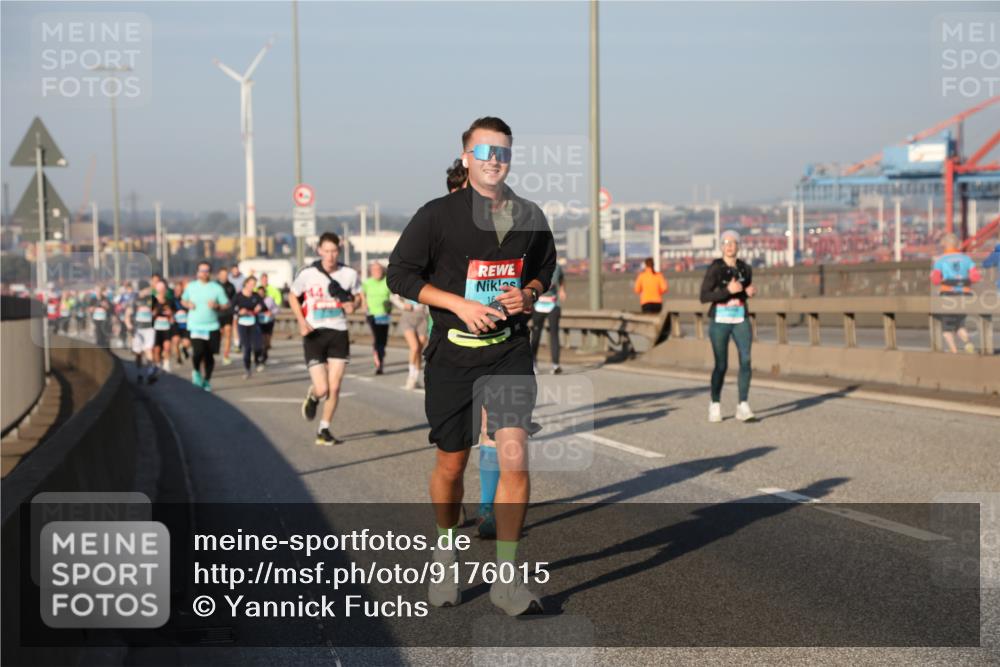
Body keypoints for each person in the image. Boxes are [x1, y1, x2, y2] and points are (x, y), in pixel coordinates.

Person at [387, 116, 555, 615]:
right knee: (451, 463)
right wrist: (458, 304)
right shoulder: (437, 216)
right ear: (467, 158)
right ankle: (445, 553)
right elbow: (399, 274)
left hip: (508, 350)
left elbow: (545, 267)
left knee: (514, 455)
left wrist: (530, 294)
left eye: (502, 152)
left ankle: (506, 579)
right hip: (453, 354)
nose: (494, 160)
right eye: (484, 152)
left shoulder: (529, 215)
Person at [289, 232, 361, 445]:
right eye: (326, 251)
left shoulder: (349, 274)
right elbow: (292, 296)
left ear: (339, 251)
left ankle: (324, 429)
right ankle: (313, 396)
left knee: (335, 387)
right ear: (319, 251)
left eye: (334, 251)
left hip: (338, 332)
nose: (330, 256)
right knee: (323, 389)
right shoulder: (308, 274)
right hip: (314, 333)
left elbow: (358, 297)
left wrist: (353, 305)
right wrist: (301, 321)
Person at [699, 230, 756, 423]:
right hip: (720, 321)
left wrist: (748, 292)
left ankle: (743, 405)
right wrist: (726, 291)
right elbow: (704, 296)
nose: (729, 246)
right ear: (721, 247)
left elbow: (742, 293)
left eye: (733, 242)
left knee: (746, 361)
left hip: (740, 319)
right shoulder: (715, 268)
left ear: (738, 246)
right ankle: (715, 403)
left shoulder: (745, 268)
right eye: (725, 242)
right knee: (721, 365)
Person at [181, 261, 230, 391]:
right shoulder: (191, 286)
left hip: (212, 326)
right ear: (197, 272)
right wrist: (188, 304)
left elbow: (226, 304)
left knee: (209, 355)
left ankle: (207, 380)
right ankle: (196, 371)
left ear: (210, 273)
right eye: (202, 270)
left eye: (206, 271)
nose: (204, 273)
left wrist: (217, 306)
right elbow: (183, 300)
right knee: (198, 352)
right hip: (195, 325)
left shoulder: (216, 288)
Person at [931, 233, 981, 354]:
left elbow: (935, 280)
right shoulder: (967, 259)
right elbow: (975, 277)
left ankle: (954, 353)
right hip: (965, 295)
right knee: (959, 324)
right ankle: (968, 344)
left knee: (947, 328)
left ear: (944, 245)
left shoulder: (940, 260)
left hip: (948, 295)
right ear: (957, 244)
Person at [530, 257, 567, 374]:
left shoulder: (557, 267)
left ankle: (556, 365)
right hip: (538, 305)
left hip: (553, 304)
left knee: (554, 334)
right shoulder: (534, 266)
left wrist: (562, 290)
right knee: (536, 335)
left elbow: (561, 279)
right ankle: (533, 363)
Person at [361, 261, 392, 374]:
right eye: (374, 270)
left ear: (382, 271)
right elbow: (362, 293)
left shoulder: (387, 282)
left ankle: (380, 354)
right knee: (377, 337)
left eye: (379, 270)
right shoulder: (367, 283)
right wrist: (364, 303)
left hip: (384, 315)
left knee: (383, 339)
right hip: (372, 314)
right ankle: (379, 362)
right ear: (371, 272)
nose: (377, 272)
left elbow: (394, 296)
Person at [233, 275, 265, 378]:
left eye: (254, 285)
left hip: (254, 323)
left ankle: (257, 362)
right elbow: (231, 308)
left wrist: (260, 307)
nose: (252, 286)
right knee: (247, 348)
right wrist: (239, 312)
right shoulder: (238, 296)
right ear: (246, 284)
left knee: (258, 346)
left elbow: (263, 305)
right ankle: (247, 369)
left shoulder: (256, 296)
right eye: (251, 284)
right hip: (242, 323)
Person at [126, 282, 157, 384]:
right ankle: (139, 373)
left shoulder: (151, 299)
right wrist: (129, 326)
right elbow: (127, 314)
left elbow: (155, 311)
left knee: (148, 349)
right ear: (142, 289)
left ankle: (150, 373)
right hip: (138, 329)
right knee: (138, 353)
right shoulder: (134, 300)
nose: (148, 291)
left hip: (149, 328)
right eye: (147, 289)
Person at [151, 280, 175, 376]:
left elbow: (173, 318)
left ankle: (166, 365)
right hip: (156, 328)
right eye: (160, 290)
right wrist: (155, 312)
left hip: (166, 327)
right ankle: (157, 365)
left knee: (167, 347)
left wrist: (170, 314)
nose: (162, 292)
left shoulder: (169, 301)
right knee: (156, 349)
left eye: (164, 290)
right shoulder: (153, 301)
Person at [216, 268, 237, 365]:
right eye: (222, 275)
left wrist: (232, 308)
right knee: (219, 334)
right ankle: (215, 350)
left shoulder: (231, 286)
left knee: (228, 333)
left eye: (226, 275)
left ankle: (226, 355)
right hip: (217, 314)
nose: (224, 277)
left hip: (228, 313)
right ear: (219, 275)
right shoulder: (214, 285)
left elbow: (234, 299)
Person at [256, 284, 278, 364]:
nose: (260, 294)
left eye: (262, 292)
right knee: (261, 339)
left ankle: (265, 352)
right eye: (259, 293)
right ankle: (261, 355)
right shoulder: (255, 300)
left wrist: (271, 312)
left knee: (267, 341)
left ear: (265, 292)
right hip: (259, 322)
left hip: (269, 322)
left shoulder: (269, 299)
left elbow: (276, 309)